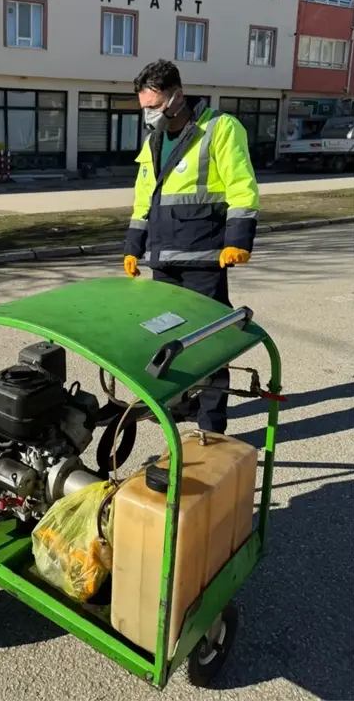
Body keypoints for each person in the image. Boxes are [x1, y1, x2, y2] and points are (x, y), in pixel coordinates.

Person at [124, 59, 259, 434]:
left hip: (204, 256)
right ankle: (177, 403)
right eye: (144, 108)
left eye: (154, 106)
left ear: (177, 96)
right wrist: (134, 246)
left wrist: (238, 240)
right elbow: (144, 198)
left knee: (209, 343)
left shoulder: (219, 128)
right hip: (163, 258)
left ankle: (211, 423)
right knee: (166, 338)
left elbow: (241, 186)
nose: (149, 115)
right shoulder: (154, 139)